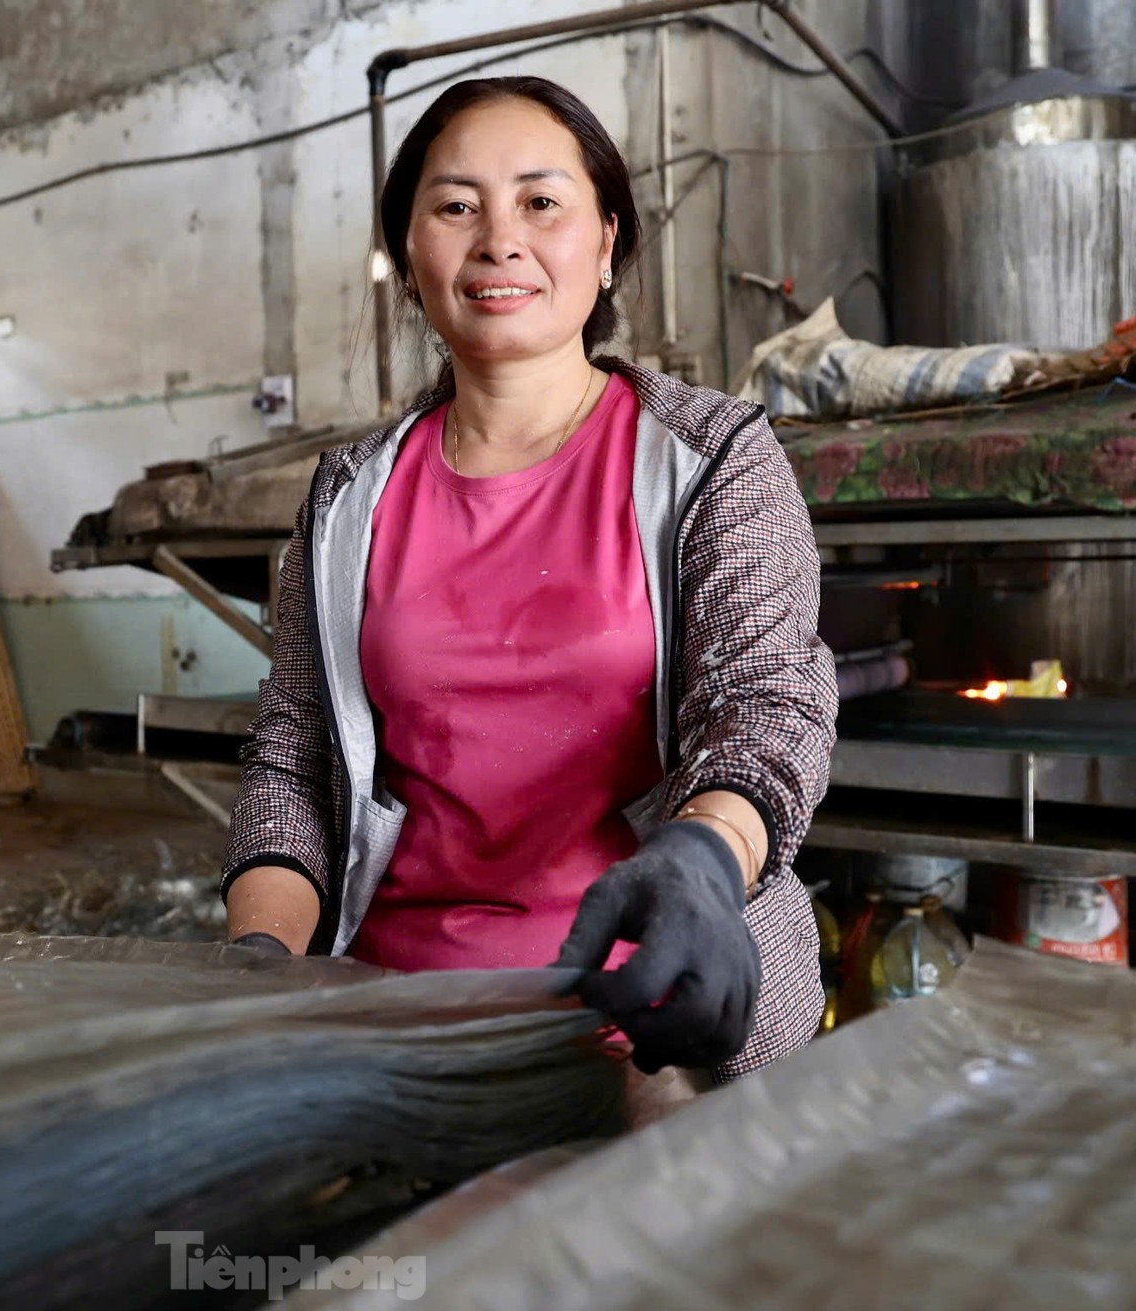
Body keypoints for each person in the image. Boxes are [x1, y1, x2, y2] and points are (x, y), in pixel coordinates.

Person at [220, 76, 835, 1083]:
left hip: (652, 1022)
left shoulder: (710, 457)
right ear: (410, 258)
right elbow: (292, 758)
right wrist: (260, 957)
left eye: (541, 203)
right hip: (398, 1030)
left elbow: (765, 711)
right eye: (455, 205)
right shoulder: (347, 495)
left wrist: (705, 859)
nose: (497, 239)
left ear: (604, 244)